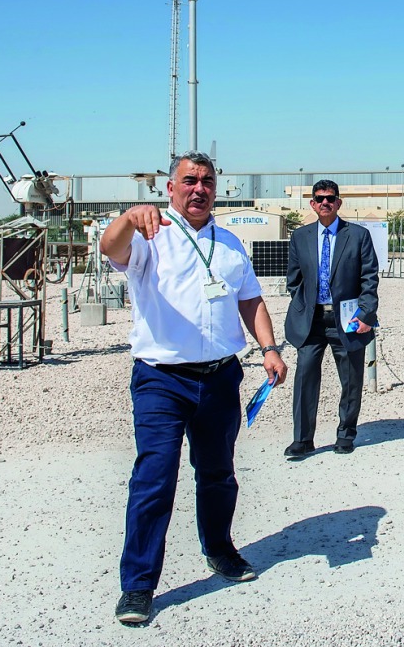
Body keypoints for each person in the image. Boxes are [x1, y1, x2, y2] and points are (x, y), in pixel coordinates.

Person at [101, 150, 288, 625]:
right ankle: (138, 584)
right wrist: (127, 218)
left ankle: (220, 550)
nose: (199, 188)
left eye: (206, 181)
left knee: (218, 473)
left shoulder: (230, 244)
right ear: (171, 188)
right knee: (155, 477)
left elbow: (250, 300)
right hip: (162, 380)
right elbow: (109, 248)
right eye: (189, 180)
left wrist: (268, 348)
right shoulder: (150, 236)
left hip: (220, 376)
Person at [284, 180, 380, 459]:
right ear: (312, 204)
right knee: (305, 376)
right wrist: (302, 304)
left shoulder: (358, 235)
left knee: (351, 379)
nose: (325, 202)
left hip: (347, 321)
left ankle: (345, 434)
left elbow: (369, 278)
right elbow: (294, 279)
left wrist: (366, 313)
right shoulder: (300, 236)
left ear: (338, 203)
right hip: (311, 321)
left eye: (330, 198)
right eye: (319, 198)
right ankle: (303, 439)